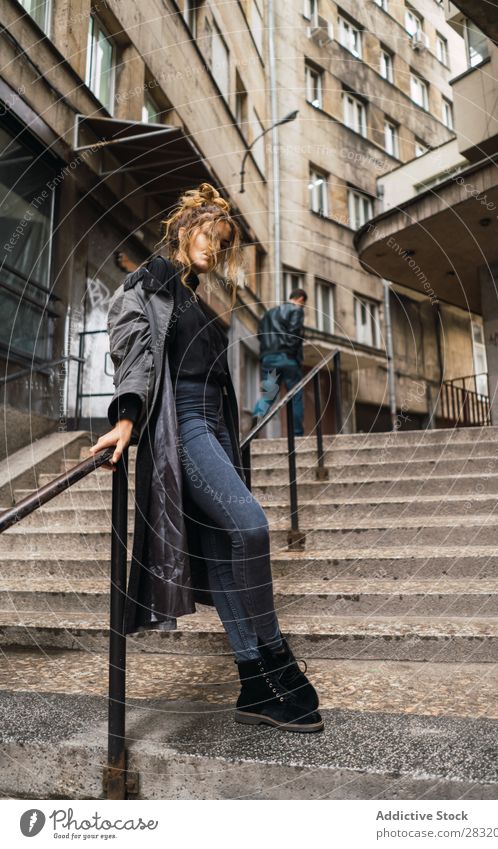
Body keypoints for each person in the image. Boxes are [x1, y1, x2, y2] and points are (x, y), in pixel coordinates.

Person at [88, 182, 323, 734]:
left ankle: (255, 686)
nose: (213, 248)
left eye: (221, 243)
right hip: (185, 421)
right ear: (184, 226)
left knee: (224, 552)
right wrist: (126, 417)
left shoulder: (199, 292)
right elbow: (134, 351)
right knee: (252, 527)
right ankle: (274, 654)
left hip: (218, 425)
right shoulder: (147, 282)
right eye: (208, 236)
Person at [252, 289, 308, 436]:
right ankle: (297, 435)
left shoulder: (268, 314)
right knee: (295, 395)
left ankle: (257, 417)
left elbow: (260, 334)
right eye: (303, 304)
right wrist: (291, 351)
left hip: (269, 358)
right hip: (287, 357)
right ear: (301, 299)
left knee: (268, 394)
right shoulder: (296, 310)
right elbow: (294, 333)